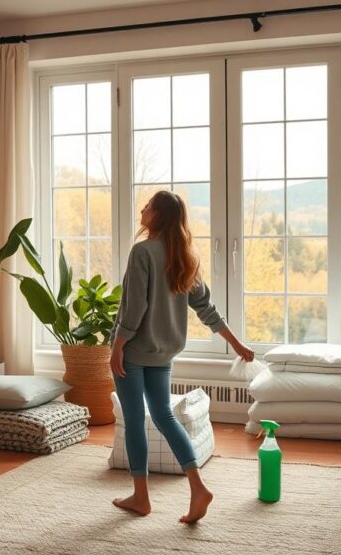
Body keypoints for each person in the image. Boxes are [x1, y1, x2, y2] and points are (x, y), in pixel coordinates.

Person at [110, 190, 255, 524]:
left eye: (147, 206)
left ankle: (141, 497)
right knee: (164, 416)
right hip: (164, 352)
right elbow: (206, 308)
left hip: (133, 352)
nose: (142, 209)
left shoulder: (142, 252)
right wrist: (237, 345)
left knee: (135, 421)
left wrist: (117, 346)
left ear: (157, 215)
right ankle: (197, 486)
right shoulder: (184, 256)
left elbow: (134, 308)